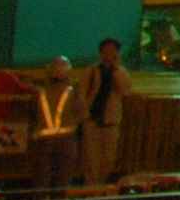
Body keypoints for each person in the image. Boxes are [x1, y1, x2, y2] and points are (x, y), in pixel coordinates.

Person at [75, 36, 131, 187]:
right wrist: (85, 115)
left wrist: (115, 70)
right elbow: (81, 93)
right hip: (92, 120)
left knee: (108, 159)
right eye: (107, 50)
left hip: (111, 121)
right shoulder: (91, 71)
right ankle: (91, 187)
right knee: (91, 159)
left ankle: (101, 185)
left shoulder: (121, 72)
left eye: (113, 51)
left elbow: (125, 91)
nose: (110, 54)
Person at [27, 58, 82, 190]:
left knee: (41, 180)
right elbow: (81, 114)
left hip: (43, 142)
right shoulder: (73, 92)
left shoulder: (39, 92)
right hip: (66, 141)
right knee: (63, 181)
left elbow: (32, 115)